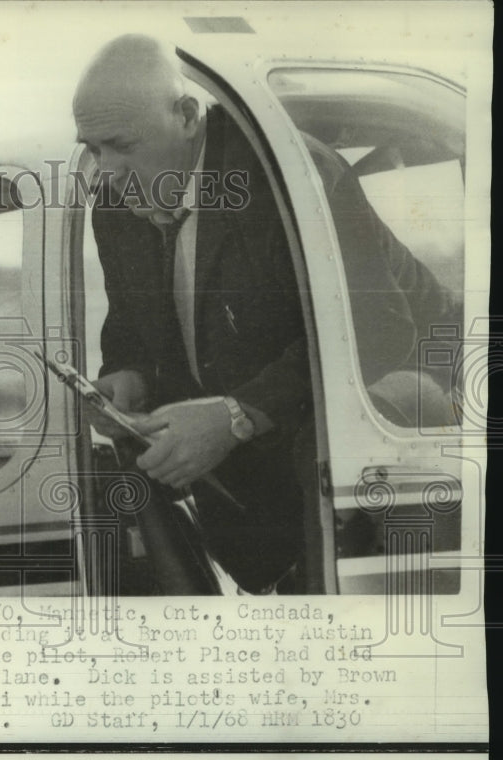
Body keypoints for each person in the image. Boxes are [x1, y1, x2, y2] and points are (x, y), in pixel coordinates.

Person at [73, 36, 457, 593]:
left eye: (120, 145)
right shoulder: (115, 202)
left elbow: (376, 334)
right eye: (92, 148)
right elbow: (134, 327)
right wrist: (127, 382)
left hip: (418, 405)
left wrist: (235, 415)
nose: (105, 170)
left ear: (186, 116)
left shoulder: (291, 173)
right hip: (280, 472)